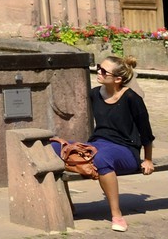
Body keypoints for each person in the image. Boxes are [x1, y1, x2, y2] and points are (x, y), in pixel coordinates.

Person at [57, 54, 154, 232]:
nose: (98, 72)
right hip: (98, 144)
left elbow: (146, 132)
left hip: (126, 150)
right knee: (54, 147)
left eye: (103, 71)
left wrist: (148, 159)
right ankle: (68, 207)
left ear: (117, 79)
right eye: (98, 67)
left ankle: (116, 214)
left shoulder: (132, 98)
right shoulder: (95, 94)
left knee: (101, 158)